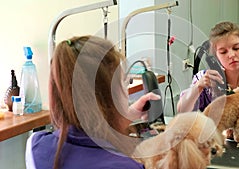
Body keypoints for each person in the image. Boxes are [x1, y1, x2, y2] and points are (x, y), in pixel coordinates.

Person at [25, 35, 161, 169]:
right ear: (107, 96)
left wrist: (123, 117)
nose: (127, 91)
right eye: (124, 83)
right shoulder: (125, 165)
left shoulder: (36, 147)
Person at [177, 21, 239, 136]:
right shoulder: (206, 80)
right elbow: (182, 110)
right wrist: (198, 87)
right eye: (223, 52)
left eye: (236, 48)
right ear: (216, 56)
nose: (232, 55)